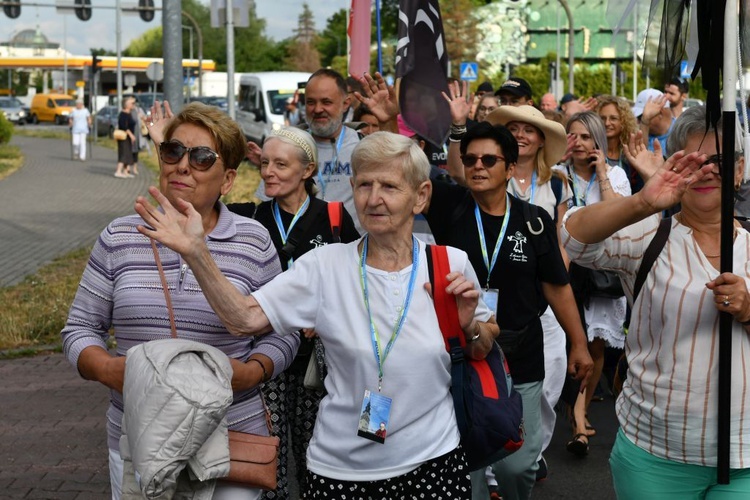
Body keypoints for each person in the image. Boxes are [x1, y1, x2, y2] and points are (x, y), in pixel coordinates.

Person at [135, 131, 499, 498]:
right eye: (364, 185)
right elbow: (243, 319)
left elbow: (481, 347)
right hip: (340, 470)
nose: (374, 199)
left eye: (389, 186)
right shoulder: (325, 266)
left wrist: (468, 326)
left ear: (420, 196)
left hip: (432, 463)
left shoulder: (450, 264)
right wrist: (197, 253)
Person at [61, 102, 300, 499]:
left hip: (232, 433)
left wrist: (253, 372)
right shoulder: (120, 236)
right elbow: (80, 329)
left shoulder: (253, 240)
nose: (183, 165)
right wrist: (110, 371)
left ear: (227, 180)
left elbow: (283, 333)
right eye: (173, 151)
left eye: (202, 157)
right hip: (140, 435)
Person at [561, 105, 750, 498]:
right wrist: (643, 203)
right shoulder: (649, 235)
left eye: (719, 160)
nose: (707, 171)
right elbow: (572, 238)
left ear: (739, 169)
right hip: (655, 452)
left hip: (743, 457)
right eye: (692, 160)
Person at [422, 111, 593, 498]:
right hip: (465, 353)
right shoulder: (450, 207)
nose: (477, 166)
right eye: (470, 160)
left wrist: (579, 344)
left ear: (511, 167)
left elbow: (558, 288)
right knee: (471, 465)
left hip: (521, 350)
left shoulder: (533, 221)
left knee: (518, 463)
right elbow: (401, 175)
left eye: (489, 160)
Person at [235, 127, 360, 499]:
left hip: (316, 361)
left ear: (306, 171)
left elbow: (353, 283)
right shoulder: (252, 220)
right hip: (266, 354)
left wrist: (322, 316)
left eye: (281, 164)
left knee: (313, 449)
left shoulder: (335, 218)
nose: (268, 172)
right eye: (265, 163)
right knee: (269, 453)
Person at [484, 104, 572, 480]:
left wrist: (553, 284)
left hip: (544, 303)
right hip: (496, 300)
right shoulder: (487, 177)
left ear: (541, 140)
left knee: (547, 381)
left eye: (529, 130)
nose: (521, 134)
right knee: (491, 383)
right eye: (514, 128)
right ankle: (493, 463)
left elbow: (561, 241)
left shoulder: (556, 183)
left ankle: (532, 449)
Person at [557, 111, 631, 456]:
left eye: (587, 137)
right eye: (573, 136)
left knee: (597, 347)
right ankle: (576, 412)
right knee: (574, 342)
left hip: (602, 272)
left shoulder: (614, 174)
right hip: (567, 271)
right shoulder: (558, 174)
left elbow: (620, 216)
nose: (580, 143)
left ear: (598, 141)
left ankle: (579, 412)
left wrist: (602, 172)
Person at [596, 94, 641, 192]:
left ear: (624, 122)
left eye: (613, 118)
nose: (607, 123)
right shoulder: (591, 153)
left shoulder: (630, 156)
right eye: (602, 118)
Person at [633, 88, 674, 154]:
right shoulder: (639, 132)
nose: (638, 122)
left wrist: (645, 121)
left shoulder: (682, 133)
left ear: (660, 112)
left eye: (641, 117)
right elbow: (639, 158)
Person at [114, 97, 136, 179]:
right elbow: (123, 126)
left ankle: (126, 171)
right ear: (126, 105)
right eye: (132, 103)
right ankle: (118, 171)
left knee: (128, 153)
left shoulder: (129, 113)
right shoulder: (123, 114)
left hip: (128, 138)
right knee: (123, 153)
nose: (134, 105)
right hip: (124, 137)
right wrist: (131, 135)